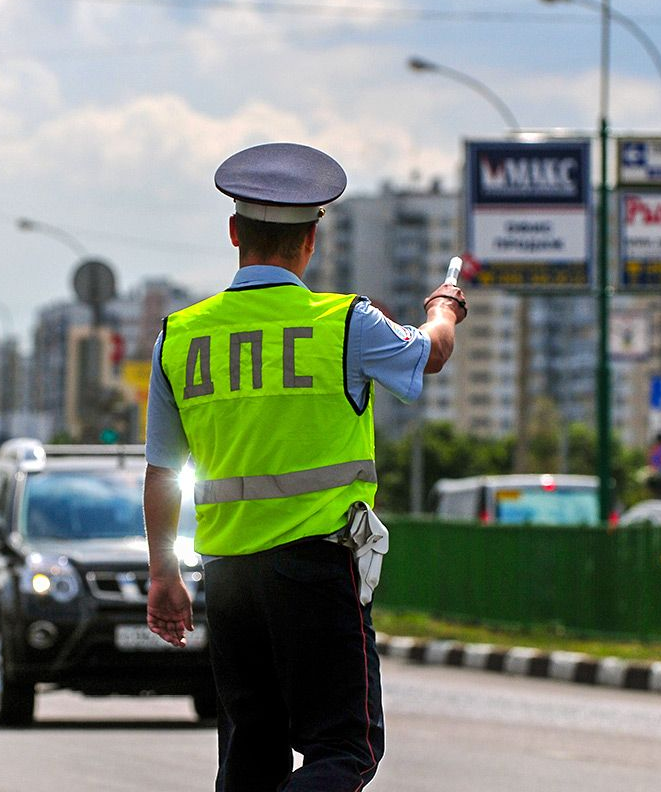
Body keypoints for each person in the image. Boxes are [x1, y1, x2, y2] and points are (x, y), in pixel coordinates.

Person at [143, 142, 465, 791]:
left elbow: (159, 471)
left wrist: (163, 576)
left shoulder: (180, 335)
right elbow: (430, 355)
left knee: (250, 753)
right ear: (313, 239)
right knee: (346, 749)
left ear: (235, 232)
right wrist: (444, 308)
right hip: (317, 572)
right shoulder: (345, 323)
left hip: (227, 575)